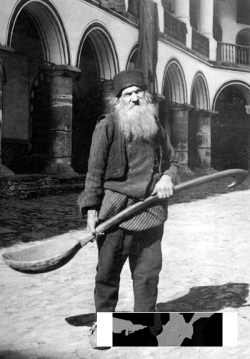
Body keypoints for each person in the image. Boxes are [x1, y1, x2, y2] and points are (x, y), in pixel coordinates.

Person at [77, 69, 179, 349]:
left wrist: (168, 177)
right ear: (118, 99)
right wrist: (91, 211)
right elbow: (94, 171)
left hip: (150, 211)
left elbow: (172, 161)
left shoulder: (156, 127)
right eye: (127, 94)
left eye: (138, 93)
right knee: (107, 273)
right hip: (116, 212)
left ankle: (144, 323)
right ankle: (104, 323)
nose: (134, 98)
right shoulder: (107, 126)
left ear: (146, 96)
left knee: (148, 273)